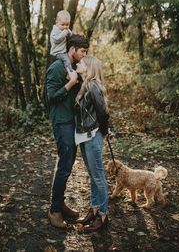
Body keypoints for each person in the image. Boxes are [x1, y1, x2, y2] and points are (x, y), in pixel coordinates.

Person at [46, 34, 89, 229]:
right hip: (61, 122)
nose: (84, 55)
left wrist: (81, 77)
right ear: (72, 49)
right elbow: (51, 98)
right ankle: (54, 211)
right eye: (82, 51)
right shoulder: (56, 68)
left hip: (72, 122)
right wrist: (70, 83)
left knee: (68, 164)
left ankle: (59, 203)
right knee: (64, 165)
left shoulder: (73, 67)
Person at [75, 56, 110, 233]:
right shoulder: (84, 85)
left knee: (98, 176)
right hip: (83, 136)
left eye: (81, 63)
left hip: (93, 135)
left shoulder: (93, 85)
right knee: (92, 175)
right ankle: (94, 209)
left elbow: (102, 113)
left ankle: (103, 215)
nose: (77, 64)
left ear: (89, 68)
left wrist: (105, 132)